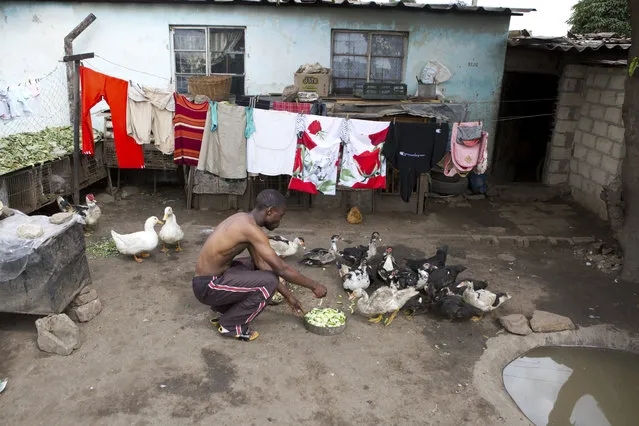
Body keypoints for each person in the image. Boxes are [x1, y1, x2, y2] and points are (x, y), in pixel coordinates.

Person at [193, 189, 328, 341]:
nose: (280, 221)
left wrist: (289, 297)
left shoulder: (243, 219)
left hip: (212, 280)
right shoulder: (250, 229)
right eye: (280, 216)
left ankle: (226, 310)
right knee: (268, 282)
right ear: (270, 211)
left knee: (257, 266)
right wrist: (315, 286)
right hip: (208, 287)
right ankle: (231, 325)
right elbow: (281, 269)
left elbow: (262, 264)